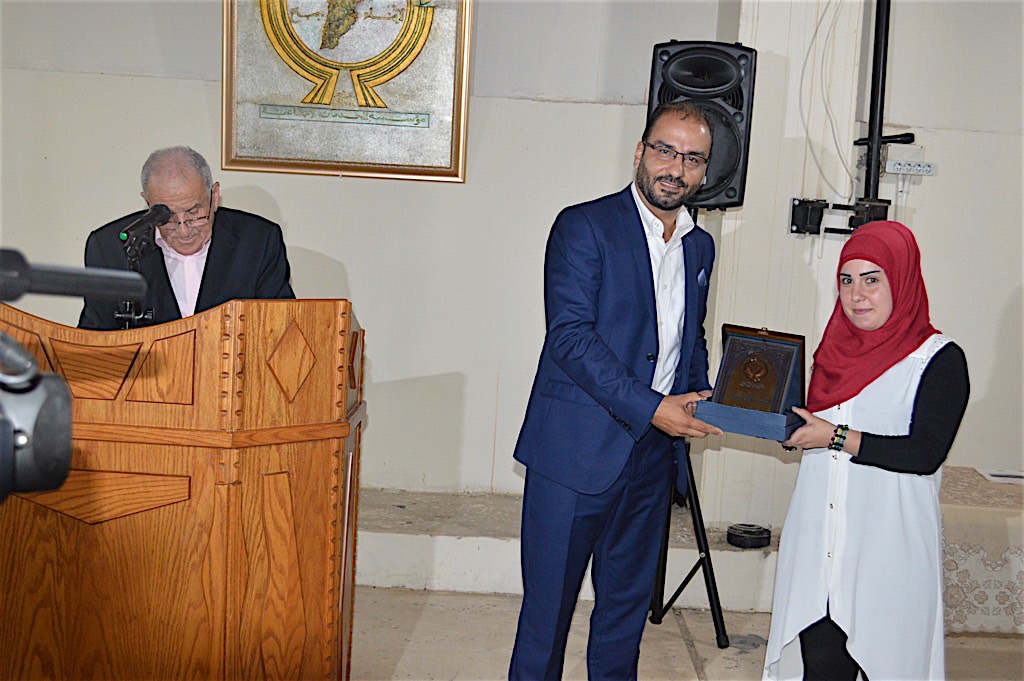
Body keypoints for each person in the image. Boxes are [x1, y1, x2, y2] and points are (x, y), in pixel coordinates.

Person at [509, 101, 723, 681]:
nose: (675, 168)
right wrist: (654, 408)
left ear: (705, 171)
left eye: (692, 158)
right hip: (574, 454)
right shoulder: (584, 226)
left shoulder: (700, 246)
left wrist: (707, 395)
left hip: (651, 461)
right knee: (547, 618)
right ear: (639, 152)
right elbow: (570, 338)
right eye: (664, 150)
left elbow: (687, 337)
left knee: (625, 618)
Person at [763, 220, 970, 681]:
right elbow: (815, 430)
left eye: (872, 279)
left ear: (902, 279)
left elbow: (924, 454)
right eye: (846, 280)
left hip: (888, 548)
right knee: (821, 666)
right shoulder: (832, 353)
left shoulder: (938, 359)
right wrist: (778, 424)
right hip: (820, 543)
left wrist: (834, 437)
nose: (856, 295)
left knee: (890, 666)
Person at [78, 146, 294, 330]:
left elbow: (279, 329)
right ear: (147, 203)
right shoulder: (110, 248)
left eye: (194, 213)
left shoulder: (258, 241)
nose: (183, 230)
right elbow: (94, 339)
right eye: (167, 216)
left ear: (214, 196)